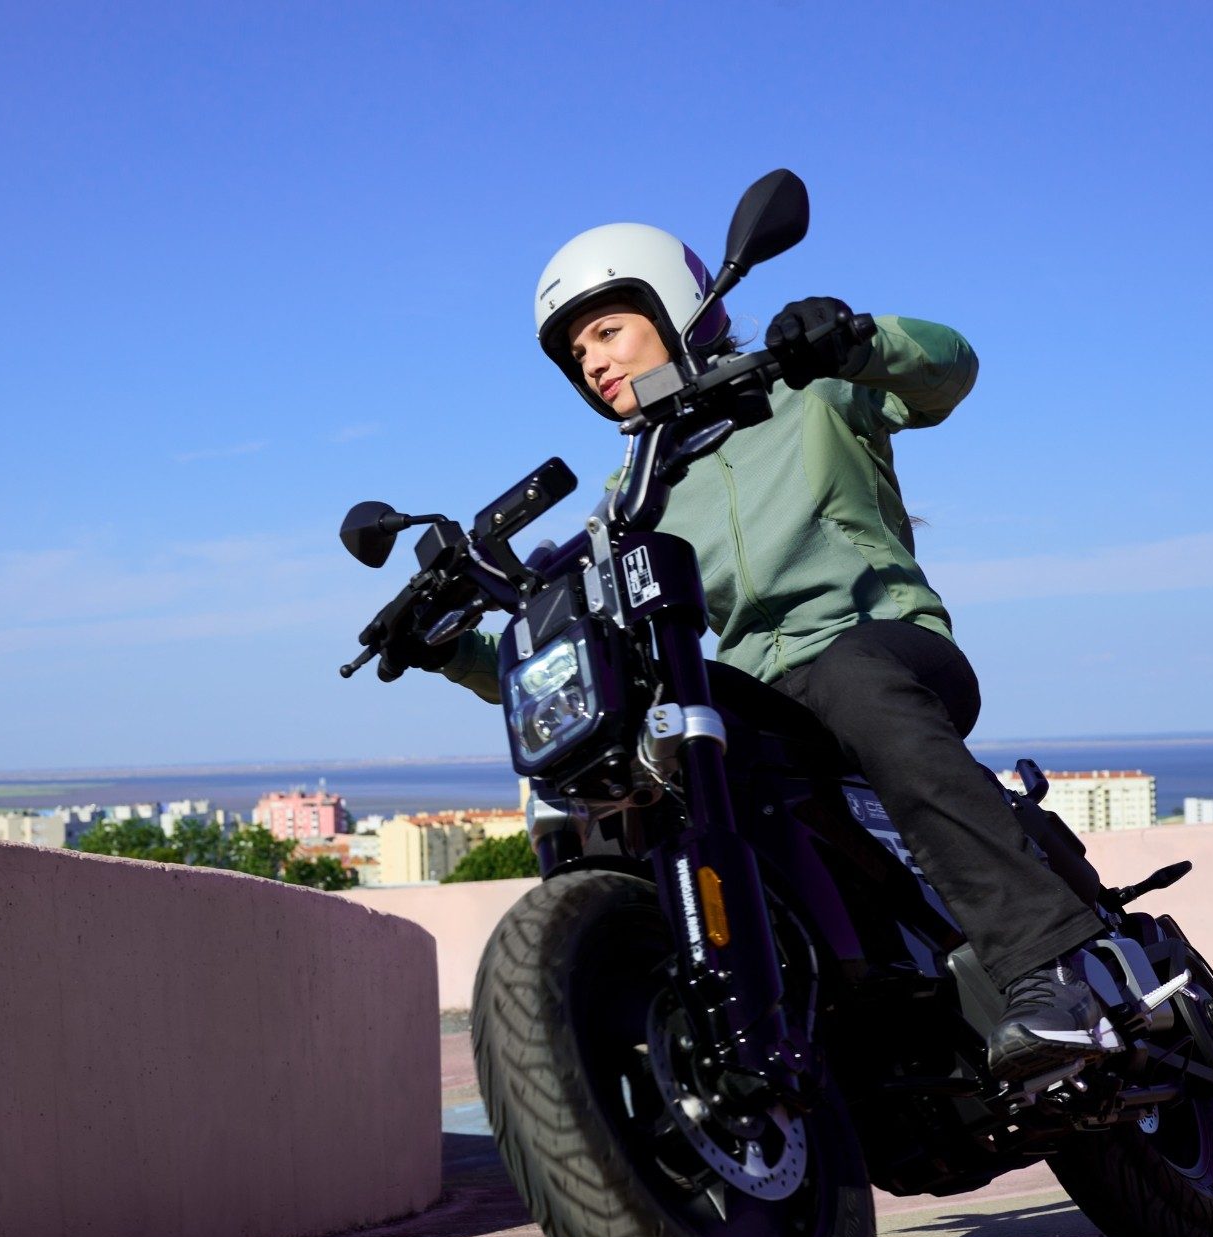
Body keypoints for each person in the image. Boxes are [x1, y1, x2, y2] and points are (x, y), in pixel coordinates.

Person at [400, 222, 1110, 1083]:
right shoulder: (629, 498)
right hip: (755, 701)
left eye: (607, 330)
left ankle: (1047, 970)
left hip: (880, 645)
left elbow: (945, 370)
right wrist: (451, 645)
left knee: (853, 683)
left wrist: (853, 339)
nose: (591, 362)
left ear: (677, 305)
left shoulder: (805, 391)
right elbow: (566, 639)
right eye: (575, 351)